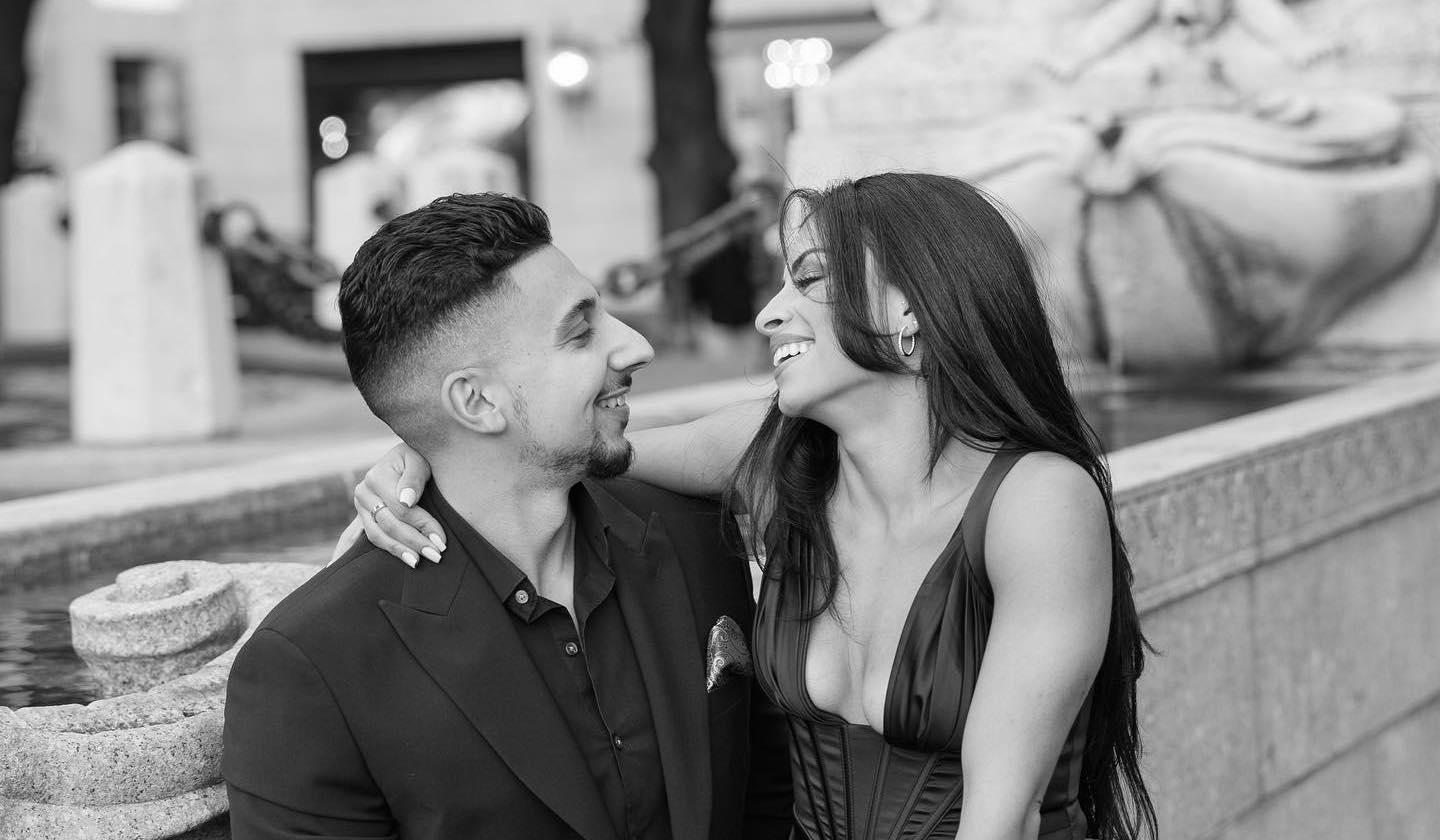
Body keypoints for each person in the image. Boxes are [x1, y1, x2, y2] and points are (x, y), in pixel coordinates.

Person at [356, 174, 1159, 840]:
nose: (769, 314)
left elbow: (1004, 817)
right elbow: (580, 447)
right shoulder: (783, 462)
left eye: (809, 280)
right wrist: (429, 452)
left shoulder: (1037, 502)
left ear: (911, 310)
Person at [222, 193, 793, 840]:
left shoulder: (693, 531)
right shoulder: (312, 667)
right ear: (475, 402)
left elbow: (767, 797)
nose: (637, 346)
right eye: (580, 333)